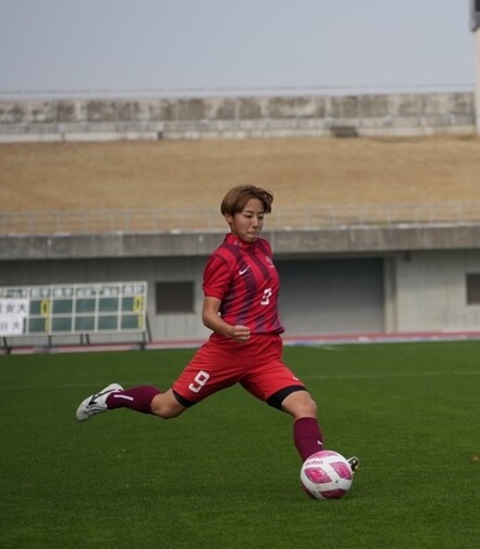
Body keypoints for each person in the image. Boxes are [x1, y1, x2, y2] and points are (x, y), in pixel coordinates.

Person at [75, 184, 357, 473]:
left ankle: (319, 467)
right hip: (227, 352)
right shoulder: (222, 259)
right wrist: (230, 331)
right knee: (166, 408)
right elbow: (209, 315)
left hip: (264, 355)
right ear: (228, 217)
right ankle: (113, 397)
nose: (256, 223)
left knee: (305, 406)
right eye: (248, 215)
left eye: (261, 216)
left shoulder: (264, 248)